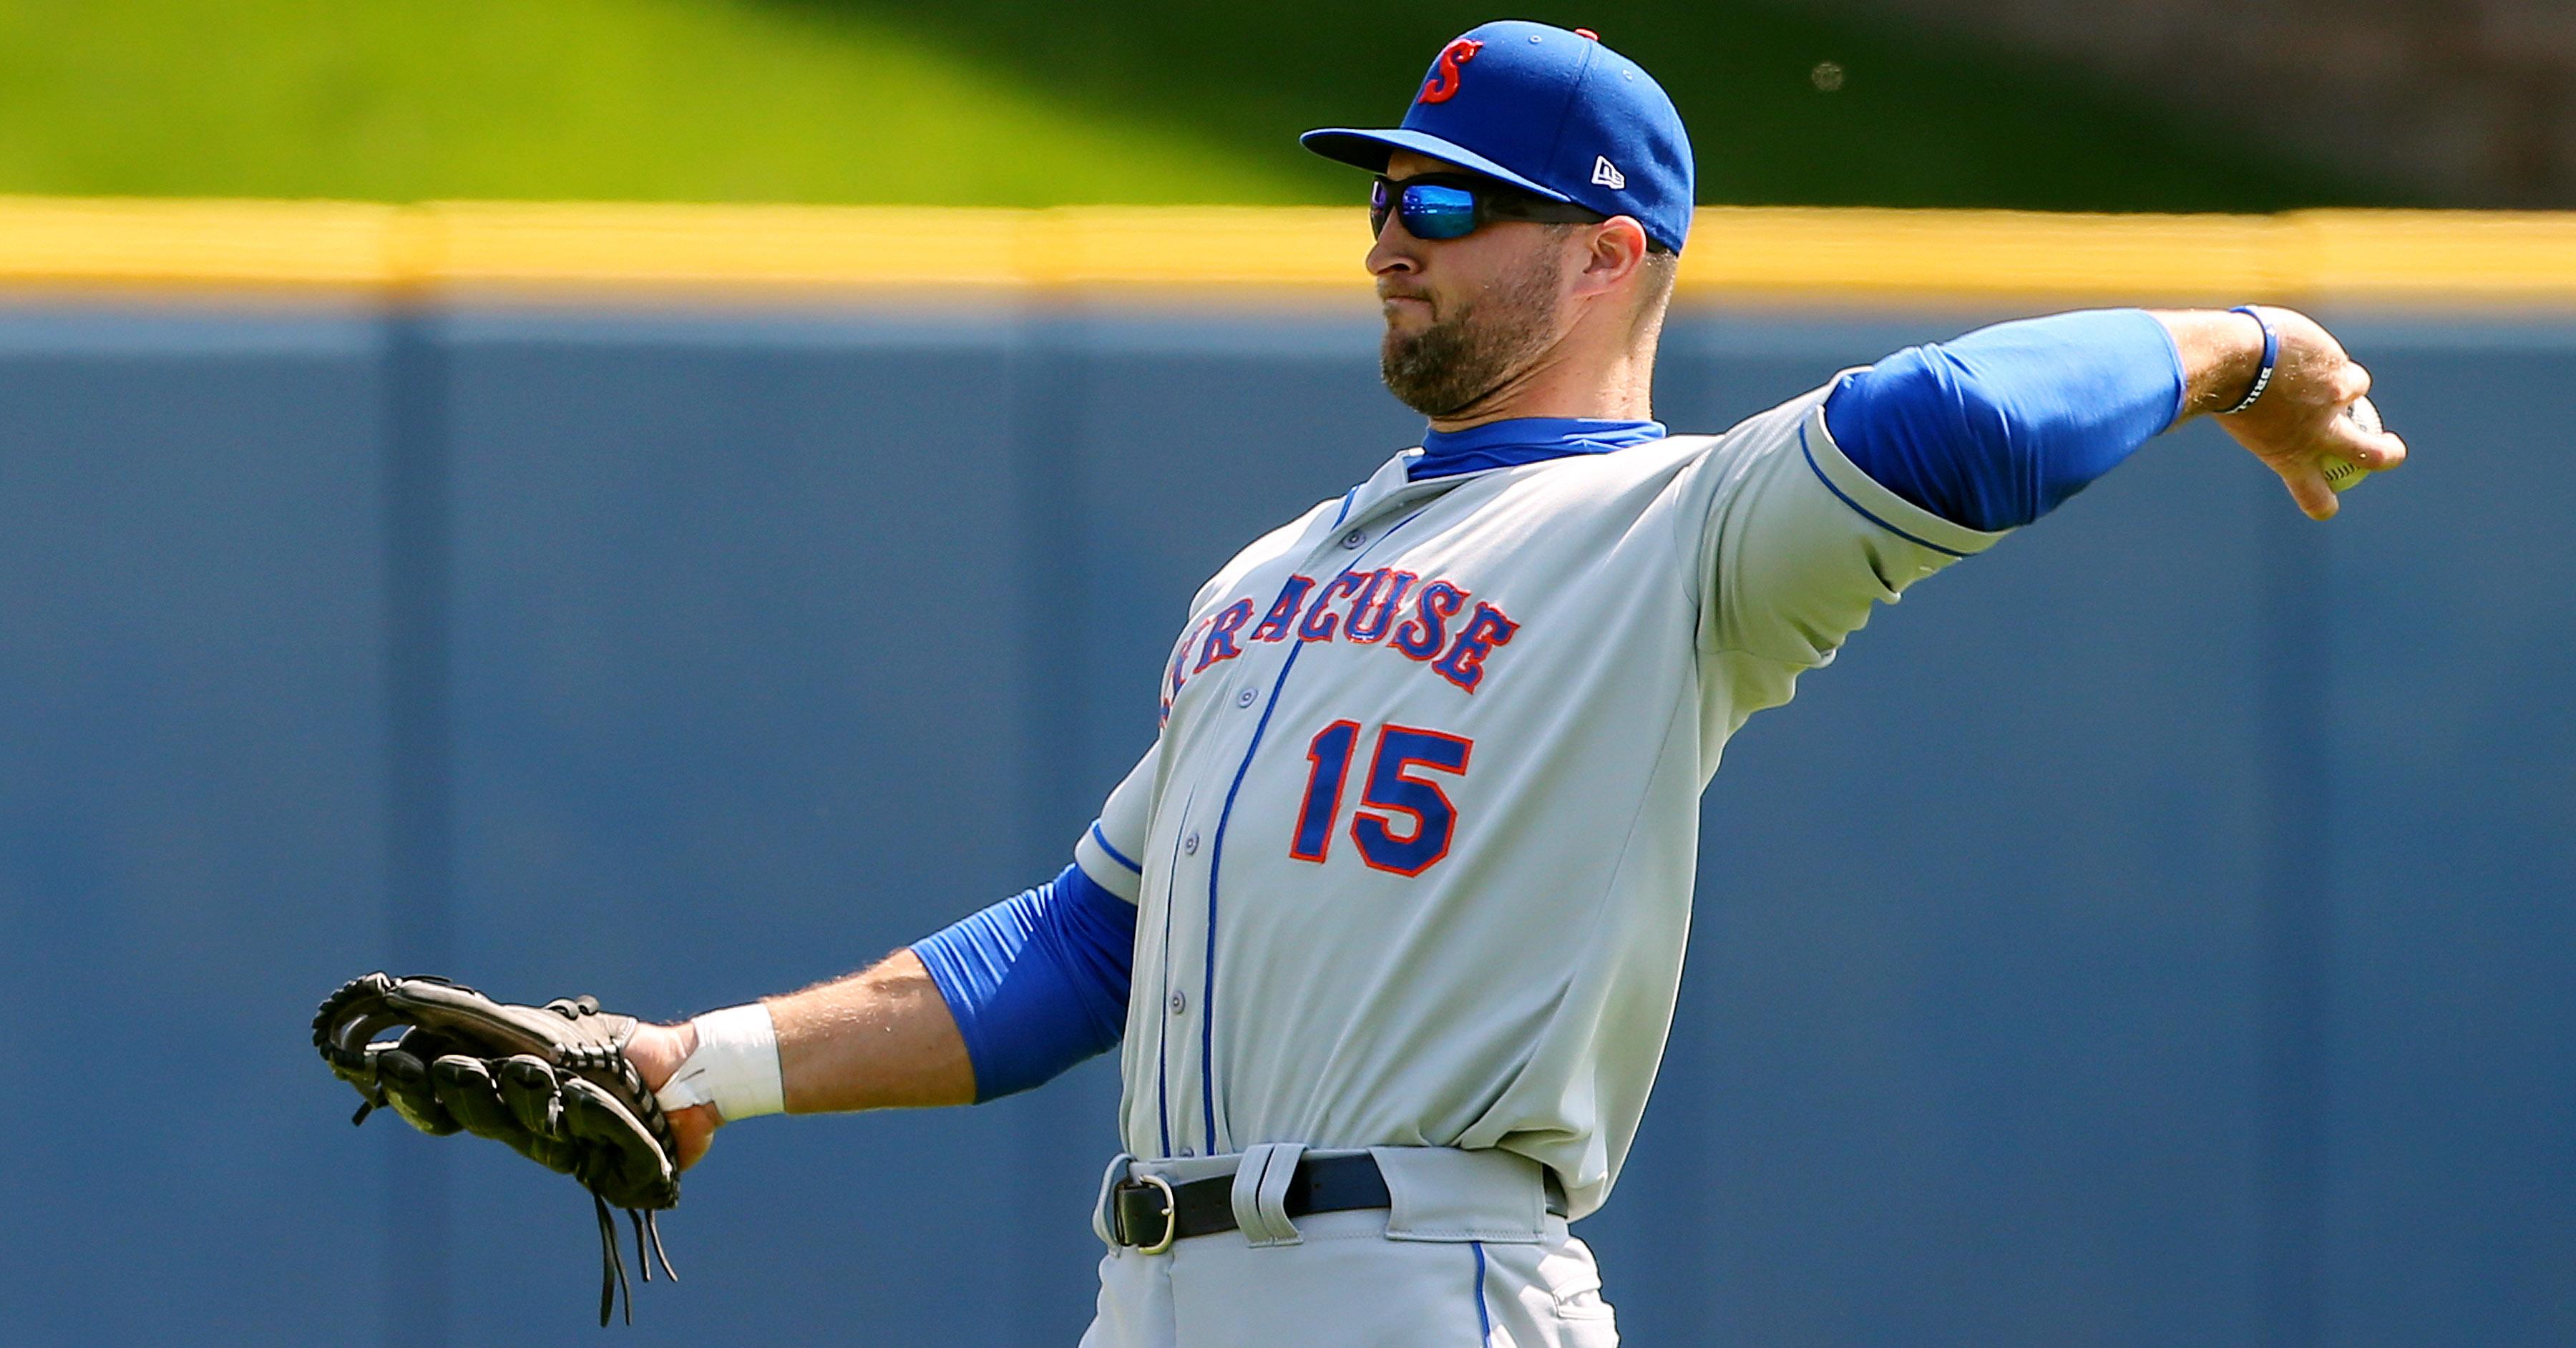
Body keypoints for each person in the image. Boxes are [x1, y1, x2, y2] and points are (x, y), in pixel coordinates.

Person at [620, 20, 2405, 1346]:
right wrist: (703, 1066)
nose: (1391, 231)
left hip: (1422, 1275)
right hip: (1147, 1292)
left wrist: (2250, 348)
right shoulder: (1266, 577)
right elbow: (1087, 949)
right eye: (1386, 193)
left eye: (1453, 199)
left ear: (1611, 252)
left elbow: (1962, 422)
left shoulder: (1685, 531)